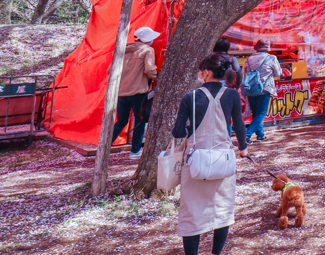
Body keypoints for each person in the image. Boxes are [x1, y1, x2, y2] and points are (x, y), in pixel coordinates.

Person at [172, 54, 248, 255]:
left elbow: (178, 132)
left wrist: (189, 130)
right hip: (223, 161)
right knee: (223, 208)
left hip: (195, 162)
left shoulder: (191, 97)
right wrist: (243, 148)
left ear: (205, 72)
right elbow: (239, 126)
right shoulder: (231, 95)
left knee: (191, 212)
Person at [111, 26, 160, 158]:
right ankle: (135, 151)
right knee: (140, 120)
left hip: (122, 92)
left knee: (121, 121)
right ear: (147, 40)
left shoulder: (122, 50)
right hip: (139, 92)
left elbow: (110, 71)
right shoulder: (147, 50)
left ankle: (104, 146)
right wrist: (158, 77)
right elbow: (149, 70)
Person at [243, 39, 282, 143]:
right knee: (261, 113)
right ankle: (246, 135)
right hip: (265, 88)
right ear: (267, 48)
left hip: (251, 88)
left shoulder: (249, 58)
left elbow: (246, 72)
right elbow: (278, 73)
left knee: (256, 113)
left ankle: (260, 135)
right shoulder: (271, 58)